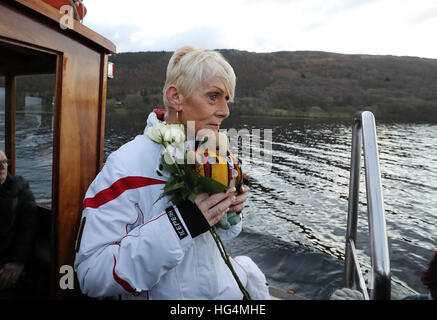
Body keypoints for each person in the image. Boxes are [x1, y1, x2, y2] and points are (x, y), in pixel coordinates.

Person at [74, 46, 270, 300]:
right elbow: (91, 275)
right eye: (214, 96)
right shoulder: (126, 165)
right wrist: (181, 224)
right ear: (175, 97)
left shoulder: (213, 153)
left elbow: (218, 236)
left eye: (226, 99)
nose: (225, 110)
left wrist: (229, 211)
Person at [0, 149, 38, 299]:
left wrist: (17, 261)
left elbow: (28, 227)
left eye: (4, 162)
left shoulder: (19, 188)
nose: (3, 167)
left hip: (7, 260)